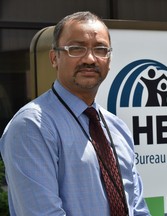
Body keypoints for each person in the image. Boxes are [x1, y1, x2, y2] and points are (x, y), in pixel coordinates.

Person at [0, 11, 150, 216]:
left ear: (109, 58)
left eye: (100, 49)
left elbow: (138, 208)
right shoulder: (32, 126)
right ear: (54, 58)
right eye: (76, 49)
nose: (89, 59)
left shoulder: (117, 127)